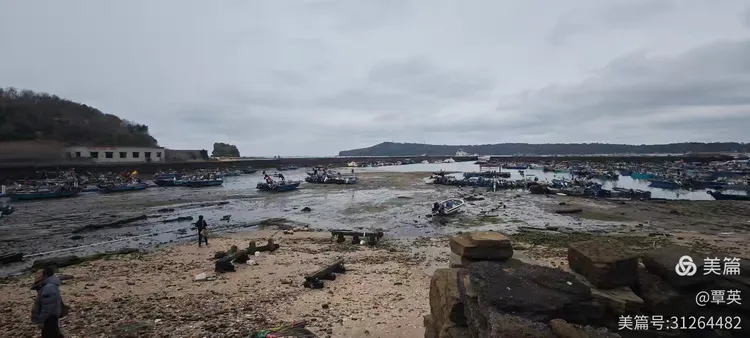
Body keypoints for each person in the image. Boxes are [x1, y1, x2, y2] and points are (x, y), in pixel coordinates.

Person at [31, 266, 64, 338]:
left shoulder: (49, 287)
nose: (36, 276)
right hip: (51, 317)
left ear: (45, 275)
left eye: (38, 274)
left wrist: (41, 321)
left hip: (49, 318)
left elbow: (47, 308)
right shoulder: (47, 286)